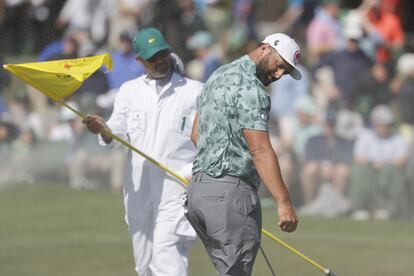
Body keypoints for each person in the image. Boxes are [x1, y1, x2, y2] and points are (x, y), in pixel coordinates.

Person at [82, 27, 203, 276]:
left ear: (169, 52)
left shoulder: (196, 91)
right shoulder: (128, 91)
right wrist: (102, 129)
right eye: (152, 57)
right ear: (139, 60)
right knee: (144, 264)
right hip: (138, 186)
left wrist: (191, 172)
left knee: (166, 253)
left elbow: (210, 141)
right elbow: (116, 135)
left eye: (162, 54)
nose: (159, 60)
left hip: (177, 184)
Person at [186, 33, 299, 275]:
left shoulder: (217, 76)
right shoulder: (253, 89)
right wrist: (284, 202)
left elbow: (196, 134)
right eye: (280, 66)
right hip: (230, 196)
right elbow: (259, 149)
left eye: (285, 72)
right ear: (265, 49)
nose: (279, 75)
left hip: (198, 194)